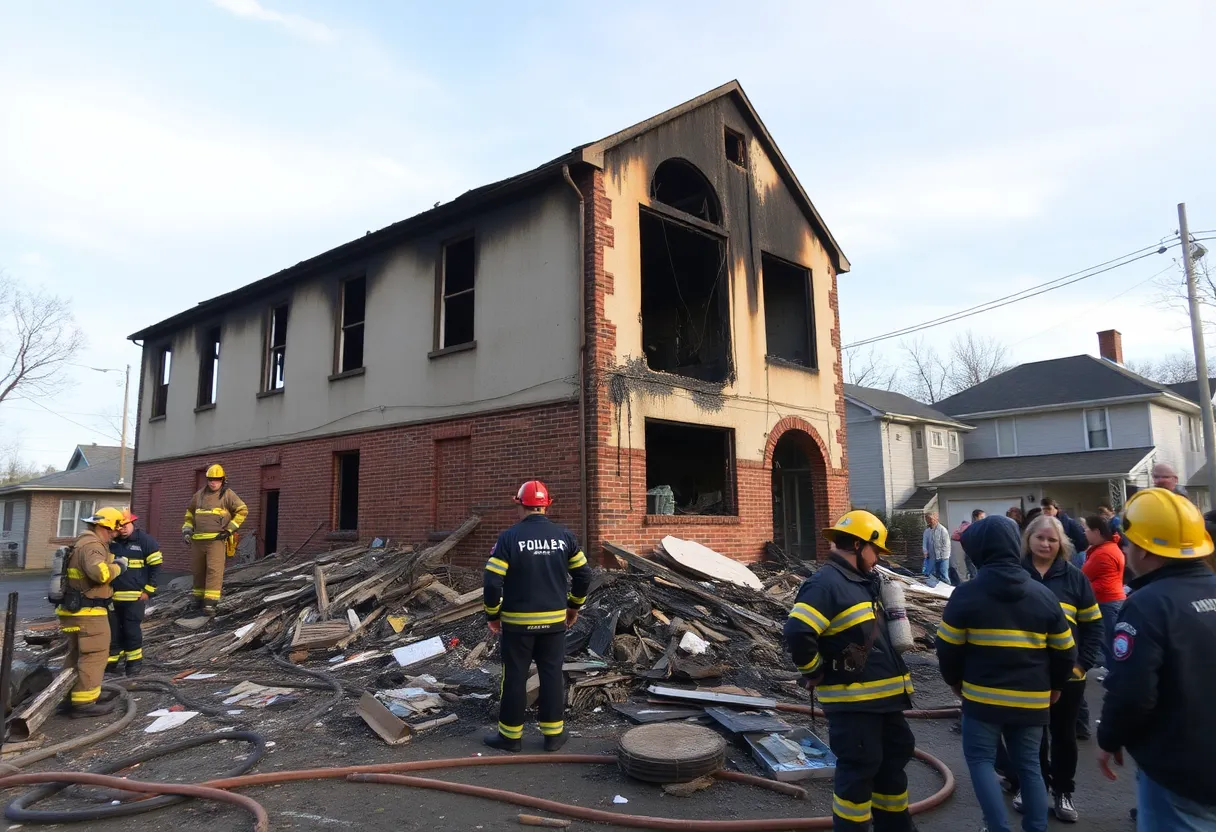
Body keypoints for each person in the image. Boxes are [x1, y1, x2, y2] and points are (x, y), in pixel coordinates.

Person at [936, 516, 1076, 832]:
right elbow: (1066, 650)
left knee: (982, 762)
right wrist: (1055, 687)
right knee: (1030, 767)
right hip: (1032, 699)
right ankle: (1036, 828)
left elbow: (947, 648)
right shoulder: (1043, 595)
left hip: (982, 698)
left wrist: (954, 682)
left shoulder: (967, 594)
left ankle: (997, 827)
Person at [784, 510, 915, 831]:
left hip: (884, 702)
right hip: (854, 705)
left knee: (892, 764)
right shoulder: (826, 583)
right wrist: (813, 671)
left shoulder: (860, 582)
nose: (878, 560)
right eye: (876, 551)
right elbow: (798, 631)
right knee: (858, 773)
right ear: (858, 545)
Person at [1097, 487, 1216, 830]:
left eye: (1130, 543)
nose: (1126, 550)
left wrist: (1109, 738)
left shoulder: (1147, 605)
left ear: (1148, 552)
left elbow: (1133, 693)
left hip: (1181, 773)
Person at [1002, 515, 1102, 823]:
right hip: (1025, 675)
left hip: (1067, 676)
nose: (1045, 544)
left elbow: (1093, 625)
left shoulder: (1075, 578)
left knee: (1063, 736)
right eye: (1040, 538)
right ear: (1028, 539)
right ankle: (1030, 787)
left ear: (1062, 545)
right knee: (1030, 737)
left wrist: (1081, 665)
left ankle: (1063, 791)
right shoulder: (1015, 574)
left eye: (1052, 540)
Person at [483, 480, 592, 753]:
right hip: (555, 623)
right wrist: (573, 607)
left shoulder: (508, 538)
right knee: (552, 674)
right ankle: (554, 736)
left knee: (515, 677)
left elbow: (492, 582)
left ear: (519, 504)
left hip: (518, 625)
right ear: (547, 505)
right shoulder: (564, 536)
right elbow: (584, 575)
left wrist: (493, 615)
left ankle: (510, 737)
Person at [56, 507, 128, 717]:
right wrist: (119, 566)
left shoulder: (80, 542)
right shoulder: (93, 546)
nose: (115, 534)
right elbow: (100, 573)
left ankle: (71, 696)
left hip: (74, 610)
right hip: (89, 612)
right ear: (105, 527)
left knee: (76, 654)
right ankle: (85, 702)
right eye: (114, 530)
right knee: (94, 655)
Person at [182, 464, 247, 614]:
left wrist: (230, 529)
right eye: (211, 479)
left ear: (222, 480)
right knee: (198, 571)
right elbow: (189, 514)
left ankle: (210, 603)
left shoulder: (228, 495)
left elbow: (242, 510)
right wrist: (187, 531)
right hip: (197, 540)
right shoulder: (198, 496)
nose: (213, 482)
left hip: (216, 540)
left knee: (214, 570)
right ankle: (197, 599)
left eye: (217, 480)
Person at [106, 508, 162, 677]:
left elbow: (156, 568)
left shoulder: (145, 541)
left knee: (131, 630)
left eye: (126, 524)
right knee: (112, 632)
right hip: (111, 598)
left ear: (132, 523)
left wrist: (148, 591)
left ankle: (134, 664)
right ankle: (111, 664)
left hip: (135, 597)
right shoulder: (110, 543)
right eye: (119, 526)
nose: (123, 528)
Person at [1081, 515, 1125, 670]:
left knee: (1109, 641)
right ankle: (1114, 671)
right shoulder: (1108, 548)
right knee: (1111, 641)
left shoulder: (1103, 553)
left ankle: (1116, 673)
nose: (1084, 533)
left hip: (1106, 601)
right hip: (1111, 600)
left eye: (1086, 529)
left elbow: (1083, 576)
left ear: (1096, 531)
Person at [1039, 499, 1087, 566]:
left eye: (1049, 509)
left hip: (1073, 553)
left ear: (1056, 509)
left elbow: (1082, 541)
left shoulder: (1068, 522)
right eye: (1043, 509)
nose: (1046, 512)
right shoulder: (1047, 522)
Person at [949, 509, 984, 584]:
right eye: (981, 517)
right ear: (976, 517)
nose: (983, 519)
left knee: (973, 567)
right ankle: (968, 586)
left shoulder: (978, 527)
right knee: (966, 568)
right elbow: (959, 535)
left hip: (971, 548)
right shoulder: (969, 527)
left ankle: (975, 583)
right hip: (965, 548)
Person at [922, 512, 951, 584]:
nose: (928, 521)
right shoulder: (927, 531)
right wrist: (925, 551)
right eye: (927, 519)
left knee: (944, 575)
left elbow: (946, 545)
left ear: (935, 519)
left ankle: (948, 590)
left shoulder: (942, 530)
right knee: (933, 575)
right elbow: (925, 543)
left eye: (930, 519)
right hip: (932, 557)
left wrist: (944, 556)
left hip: (942, 557)